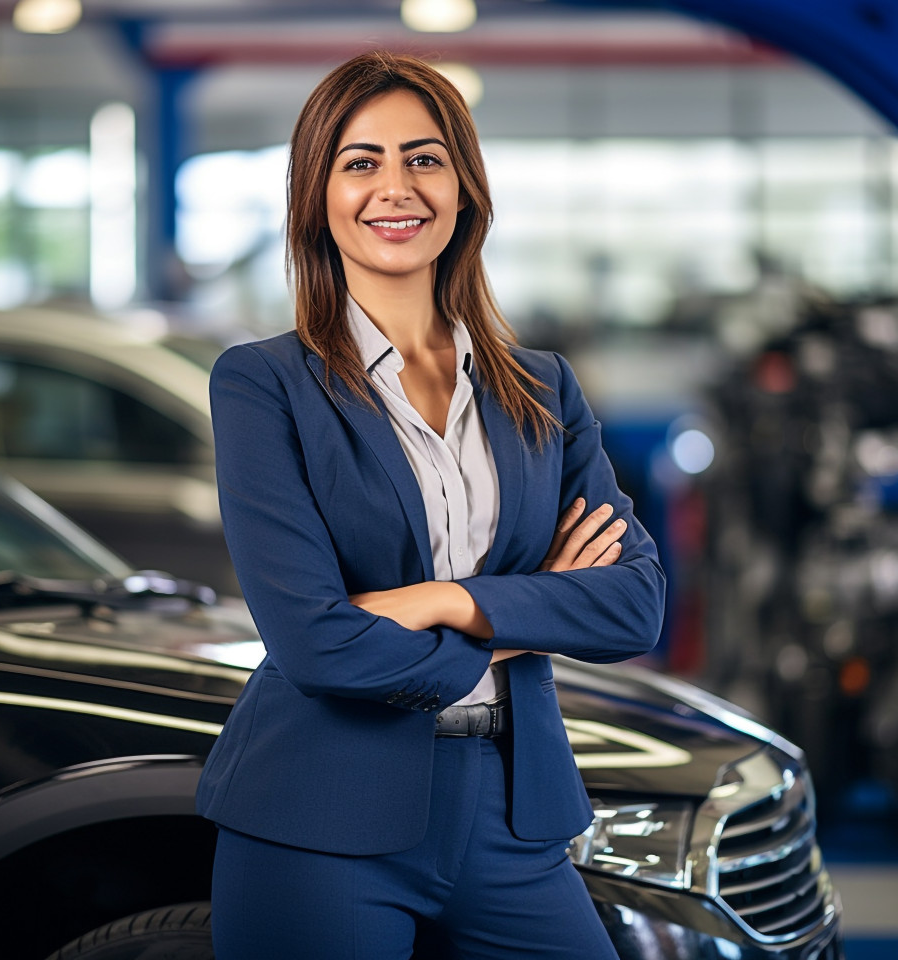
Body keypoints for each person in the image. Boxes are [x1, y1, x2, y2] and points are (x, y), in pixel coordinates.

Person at [197, 50, 665, 960]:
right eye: (359, 161)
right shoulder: (263, 385)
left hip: (513, 809)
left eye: (424, 157)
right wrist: (529, 607)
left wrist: (444, 600)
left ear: (463, 190)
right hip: (319, 814)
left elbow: (635, 601)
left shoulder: (541, 387)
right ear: (316, 197)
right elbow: (313, 642)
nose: (395, 187)